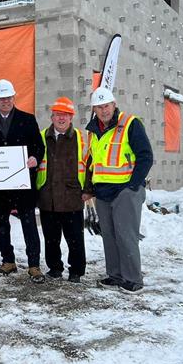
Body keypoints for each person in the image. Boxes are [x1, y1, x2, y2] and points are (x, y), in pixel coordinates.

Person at [85, 87, 154, 294]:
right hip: (103, 192)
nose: (104, 110)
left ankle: (133, 279)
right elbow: (92, 161)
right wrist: (90, 188)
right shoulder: (94, 130)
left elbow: (145, 156)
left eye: (106, 105)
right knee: (109, 235)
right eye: (99, 107)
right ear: (94, 109)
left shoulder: (130, 124)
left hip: (125, 191)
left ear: (114, 105)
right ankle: (115, 275)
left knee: (126, 235)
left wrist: (132, 186)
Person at [0, 79, 45, 284]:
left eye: (8, 97)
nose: (5, 101)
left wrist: (35, 157)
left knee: (29, 224)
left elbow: (38, 146)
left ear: (13, 98)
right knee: (1, 223)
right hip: (0, 187)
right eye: (1, 98)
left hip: (22, 184)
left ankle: (34, 264)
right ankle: (8, 260)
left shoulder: (28, 120)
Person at [36, 97, 89, 283]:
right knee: (51, 239)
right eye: (58, 115)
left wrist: (87, 190)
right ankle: (55, 268)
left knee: (75, 239)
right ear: (51, 117)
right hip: (47, 197)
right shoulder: (41, 137)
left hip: (72, 197)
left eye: (65, 115)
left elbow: (90, 166)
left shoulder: (82, 139)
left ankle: (76, 271)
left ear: (71, 117)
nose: (61, 119)